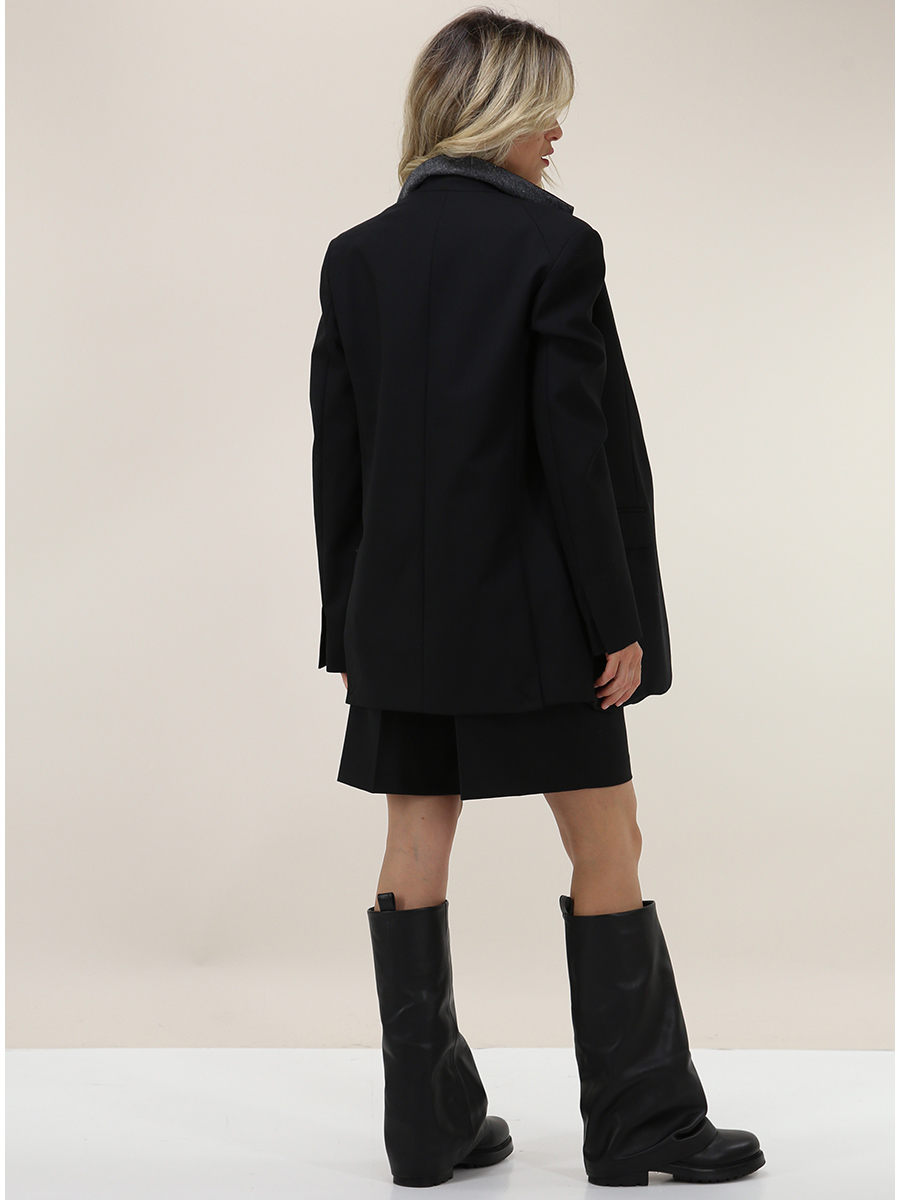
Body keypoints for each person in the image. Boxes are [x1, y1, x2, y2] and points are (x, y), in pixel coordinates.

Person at [309, 7, 765, 1189]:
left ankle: (428, 1128)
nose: (558, 131)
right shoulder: (554, 246)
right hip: (538, 617)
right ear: (498, 111)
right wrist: (620, 621)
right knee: (608, 837)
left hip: (400, 620)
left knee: (415, 838)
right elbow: (580, 452)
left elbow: (338, 458)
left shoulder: (357, 255)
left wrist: (345, 621)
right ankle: (641, 1121)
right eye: (546, 107)